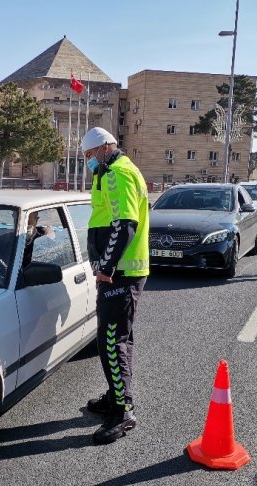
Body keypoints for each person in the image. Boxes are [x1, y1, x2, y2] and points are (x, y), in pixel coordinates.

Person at [81, 126, 149, 445]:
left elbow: (125, 225)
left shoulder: (117, 173)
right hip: (120, 271)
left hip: (119, 272)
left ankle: (122, 412)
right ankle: (116, 396)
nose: (88, 161)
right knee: (116, 339)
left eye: (90, 155)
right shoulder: (111, 171)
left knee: (112, 341)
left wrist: (106, 267)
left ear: (106, 148)